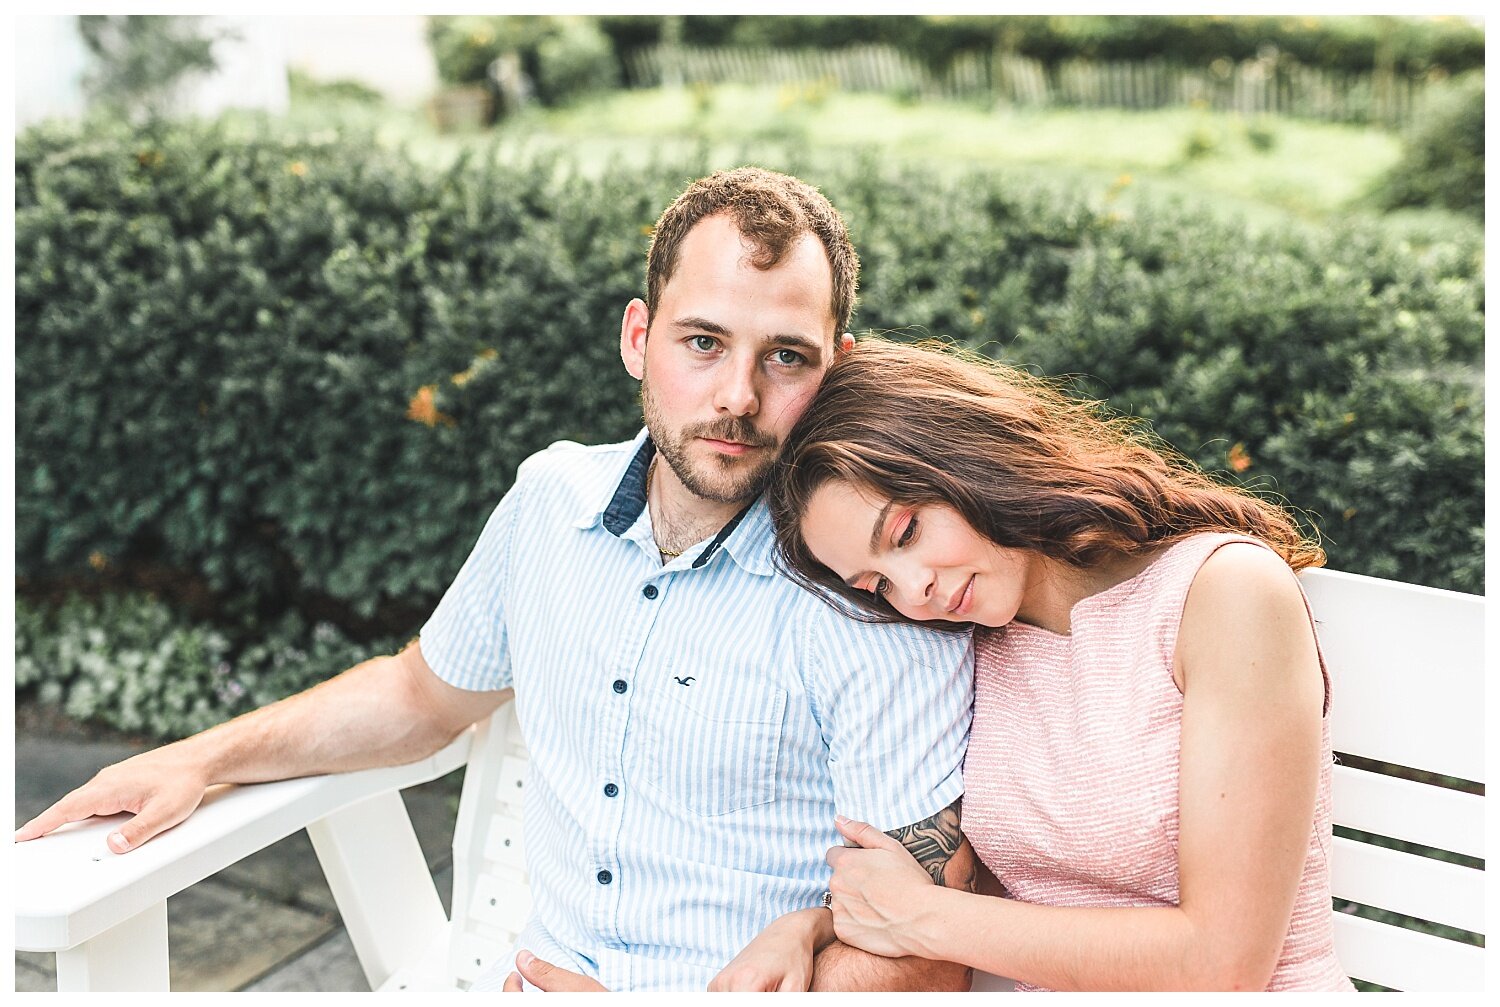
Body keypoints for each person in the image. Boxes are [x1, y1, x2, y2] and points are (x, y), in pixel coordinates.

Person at [14, 170, 979, 992]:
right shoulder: (550, 498)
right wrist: (202, 758)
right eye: (703, 341)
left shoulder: (877, 592)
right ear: (638, 338)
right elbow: (420, 693)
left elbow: (929, 953)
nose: (737, 396)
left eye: (787, 358)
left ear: (838, 369)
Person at [765, 337, 1355, 992]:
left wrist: (925, 917)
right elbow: (988, 884)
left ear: (966, 455)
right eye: (876, 584)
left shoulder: (1226, 595)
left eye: (906, 533)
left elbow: (1220, 964)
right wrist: (820, 924)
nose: (913, 591)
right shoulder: (981, 641)